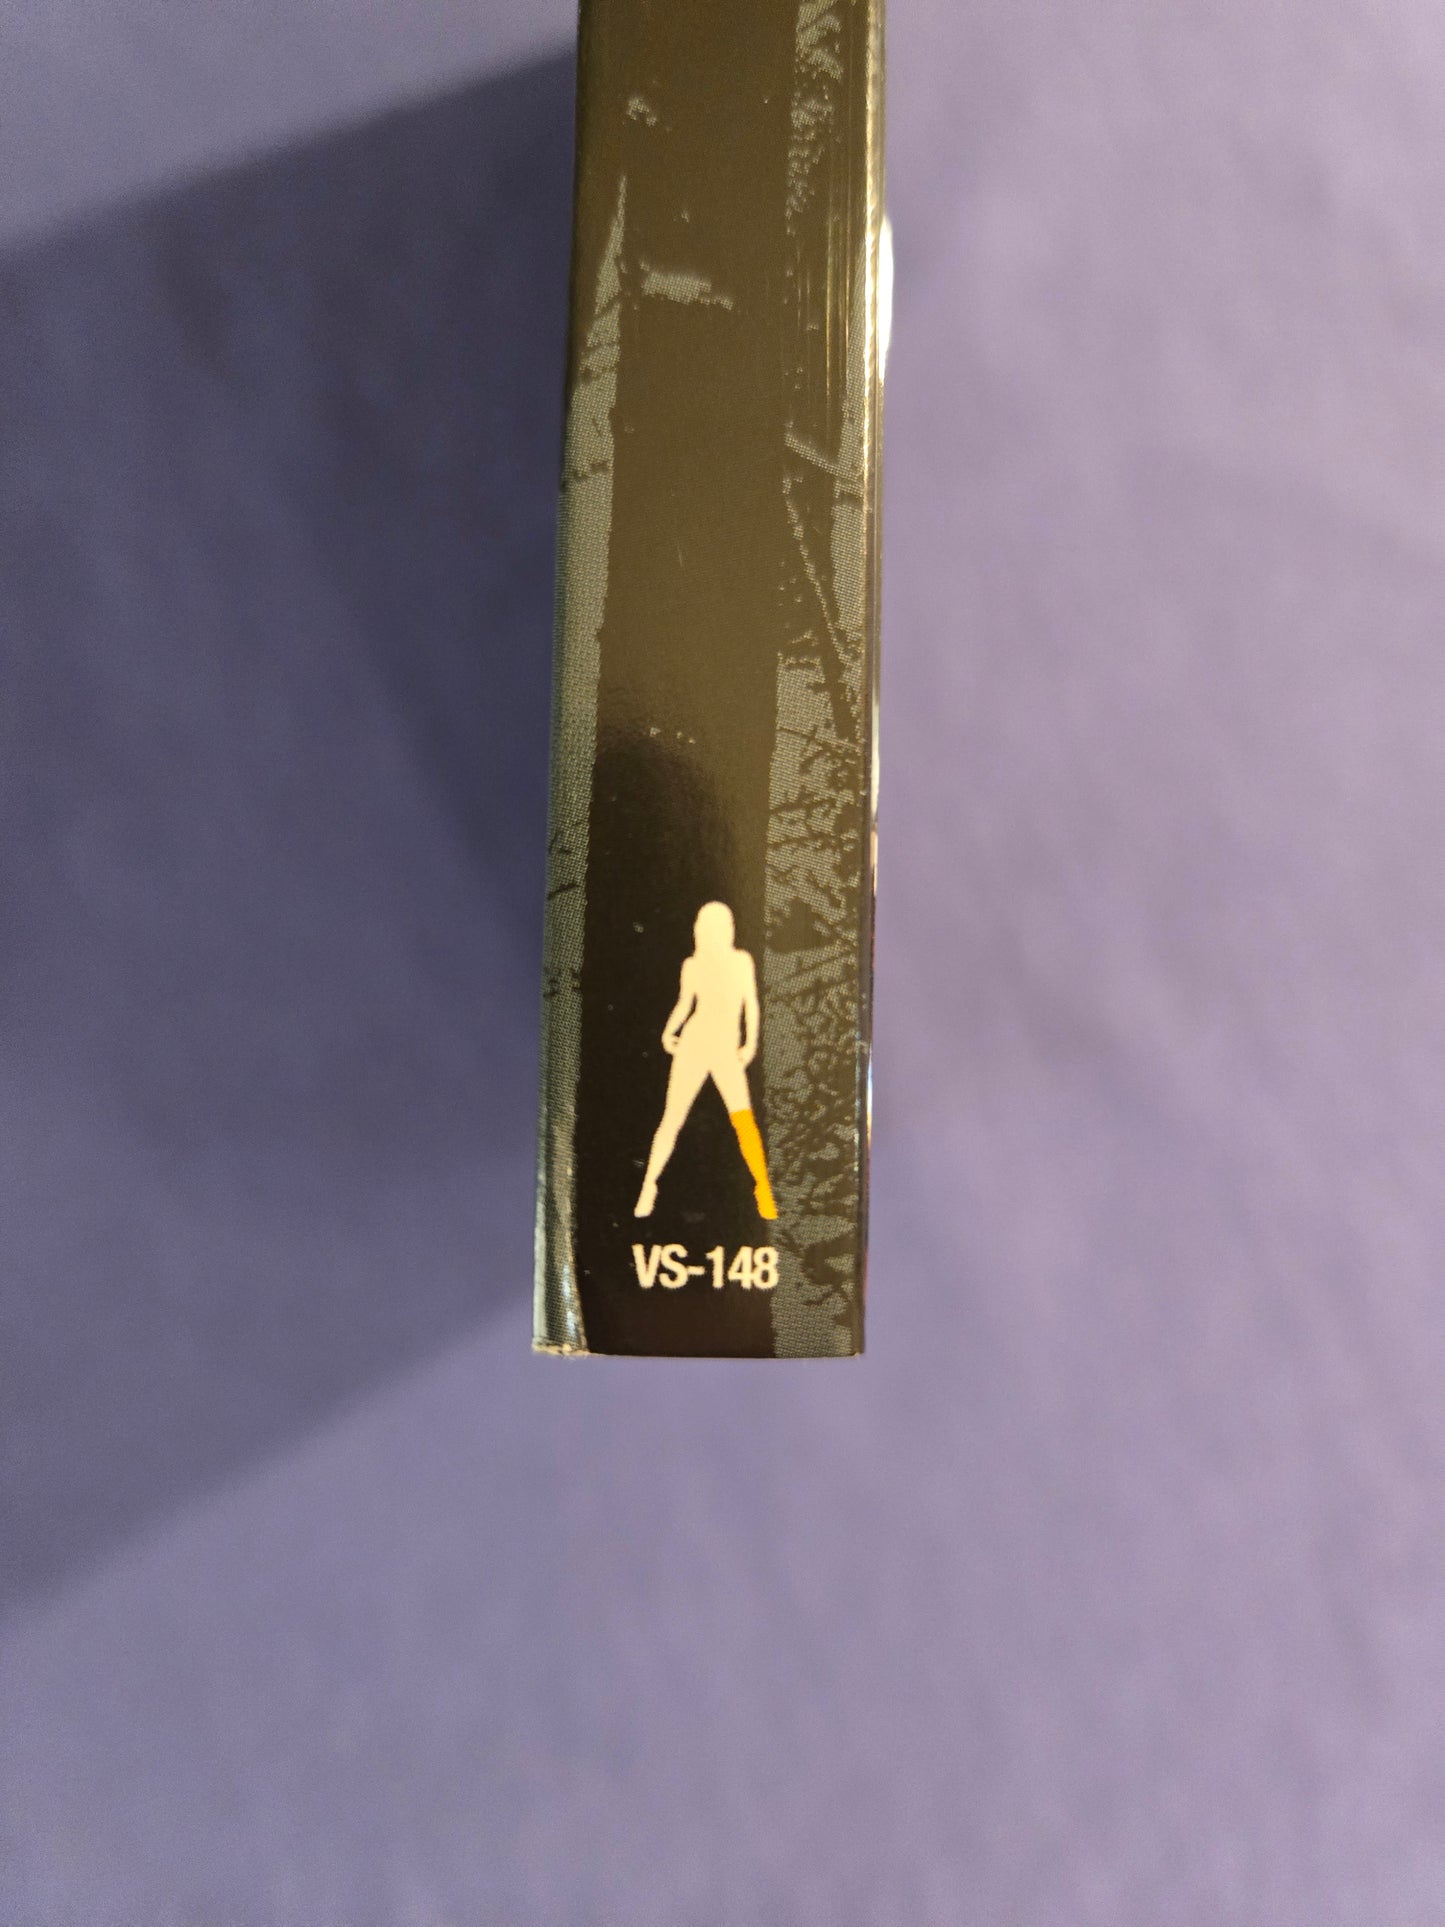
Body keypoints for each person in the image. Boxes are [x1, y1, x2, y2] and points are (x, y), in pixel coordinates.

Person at [634, 902, 777, 1220]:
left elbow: (751, 1004)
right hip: (694, 1045)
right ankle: (648, 1186)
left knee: (743, 1120)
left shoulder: (741, 961)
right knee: (672, 1119)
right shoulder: (692, 965)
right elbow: (685, 1004)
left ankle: (763, 1189)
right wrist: (668, 1032)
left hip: (725, 1048)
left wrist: (750, 1043)